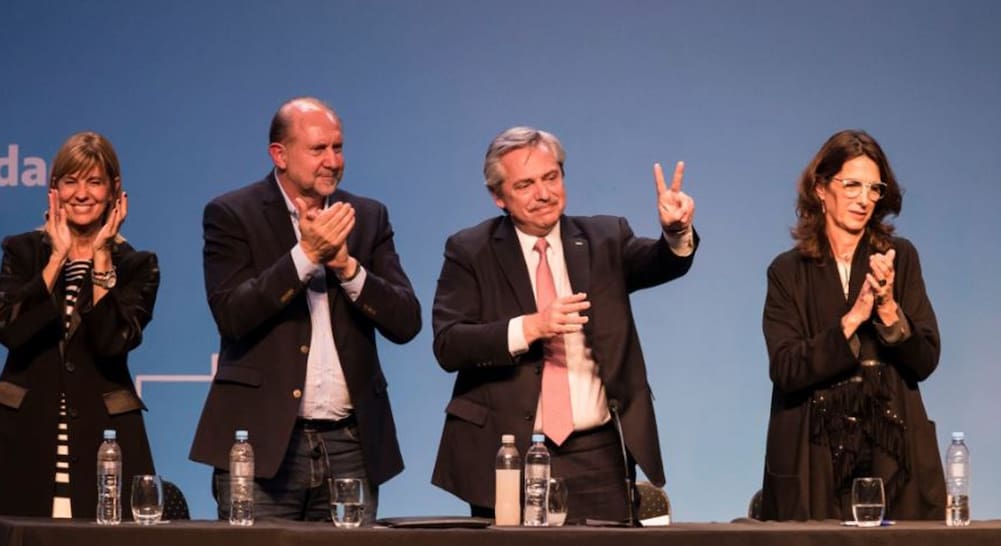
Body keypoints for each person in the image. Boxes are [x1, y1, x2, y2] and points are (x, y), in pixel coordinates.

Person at [431, 126, 696, 523]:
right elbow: (449, 344)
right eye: (525, 184)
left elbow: (661, 262)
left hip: (598, 453)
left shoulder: (605, 237)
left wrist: (675, 232)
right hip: (508, 453)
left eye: (551, 178)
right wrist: (530, 327)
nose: (543, 193)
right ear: (498, 196)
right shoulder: (471, 250)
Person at [189, 97, 421, 523]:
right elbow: (232, 314)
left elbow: (407, 321)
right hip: (261, 444)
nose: (333, 161)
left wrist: (348, 268)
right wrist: (306, 255)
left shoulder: (367, 216)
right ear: (279, 154)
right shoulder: (232, 214)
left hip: (350, 444)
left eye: (338, 147)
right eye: (319, 150)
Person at [759, 130, 944, 521]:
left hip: (892, 458)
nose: (864, 199)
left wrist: (890, 310)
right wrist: (854, 319)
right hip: (815, 461)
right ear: (821, 189)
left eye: (874, 189)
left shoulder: (899, 257)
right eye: (852, 185)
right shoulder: (787, 272)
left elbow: (926, 359)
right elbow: (786, 367)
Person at [0, 131, 159, 518]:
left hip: (106, 439)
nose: (82, 193)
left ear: (114, 191)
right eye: (70, 181)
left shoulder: (137, 265)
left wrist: (101, 259)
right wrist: (56, 261)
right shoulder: (22, 252)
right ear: (54, 191)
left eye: (94, 181)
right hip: (24, 435)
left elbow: (112, 342)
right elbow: (11, 330)